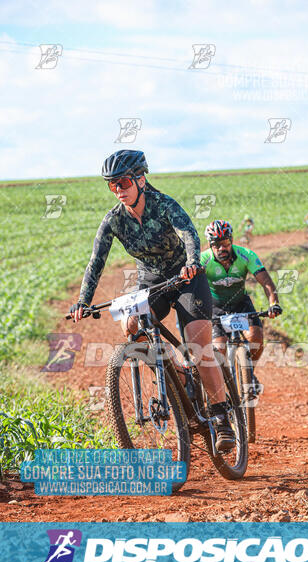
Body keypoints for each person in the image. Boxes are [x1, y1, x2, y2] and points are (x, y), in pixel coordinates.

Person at [69, 150, 236, 451]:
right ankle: (179, 374)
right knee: (131, 327)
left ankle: (222, 418)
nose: (118, 189)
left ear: (140, 179)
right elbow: (96, 263)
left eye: (123, 182)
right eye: (112, 185)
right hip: (152, 283)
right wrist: (83, 300)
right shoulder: (113, 221)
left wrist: (193, 262)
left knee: (198, 346)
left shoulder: (164, 205)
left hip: (186, 277)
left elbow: (189, 234)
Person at [201, 220, 282, 369]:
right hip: (216, 306)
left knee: (255, 340)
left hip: (241, 304)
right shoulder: (203, 260)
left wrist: (273, 304)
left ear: (231, 240)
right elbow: (194, 287)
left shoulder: (246, 255)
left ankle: (249, 373)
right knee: (219, 350)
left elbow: (266, 282)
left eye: (225, 243)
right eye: (216, 244)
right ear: (210, 245)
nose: (221, 248)